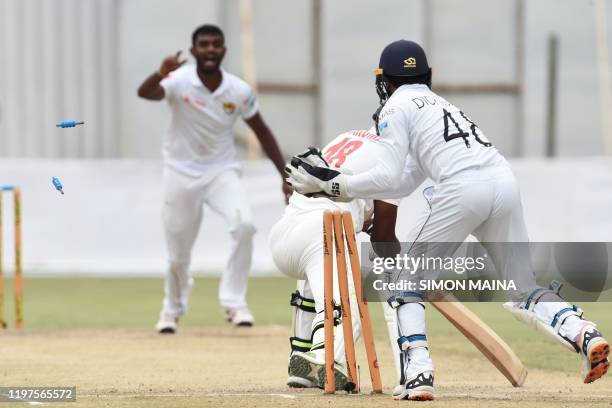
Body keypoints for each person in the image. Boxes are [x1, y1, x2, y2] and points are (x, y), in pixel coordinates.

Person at [286, 40, 609, 400]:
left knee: (403, 279)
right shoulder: (441, 105)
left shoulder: (395, 106)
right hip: (502, 182)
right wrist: (341, 188)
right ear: (426, 75)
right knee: (522, 287)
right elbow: (406, 178)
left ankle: (418, 375)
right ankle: (584, 333)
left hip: (461, 188)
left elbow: (389, 178)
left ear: (384, 81)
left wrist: (333, 184)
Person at [137, 24, 290, 332]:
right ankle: (172, 310)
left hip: (220, 172)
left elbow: (261, 131)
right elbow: (146, 93)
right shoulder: (179, 81)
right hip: (180, 173)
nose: (209, 49)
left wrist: (284, 176)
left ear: (223, 51)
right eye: (203, 45)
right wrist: (159, 72)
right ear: (194, 52)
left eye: (215, 45)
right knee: (178, 252)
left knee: (244, 225)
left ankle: (235, 303)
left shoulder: (238, 90)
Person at [270, 128, 405, 390]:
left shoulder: (351, 136)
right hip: (323, 233)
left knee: (317, 282)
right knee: (350, 302)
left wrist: (365, 221)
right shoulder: (395, 158)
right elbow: (384, 242)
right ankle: (324, 359)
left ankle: (301, 358)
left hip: (284, 235)